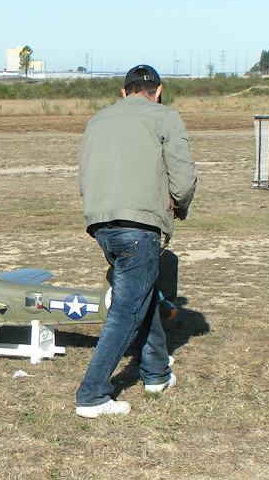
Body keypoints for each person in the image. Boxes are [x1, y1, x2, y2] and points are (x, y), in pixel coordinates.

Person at [75, 64, 197, 418]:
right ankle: (92, 394)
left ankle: (156, 373)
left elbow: (85, 176)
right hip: (139, 228)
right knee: (126, 310)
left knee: (143, 294)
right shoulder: (165, 116)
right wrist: (178, 209)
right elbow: (183, 180)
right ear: (158, 92)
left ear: (123, 91)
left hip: (102, 225)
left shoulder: (97, 120)